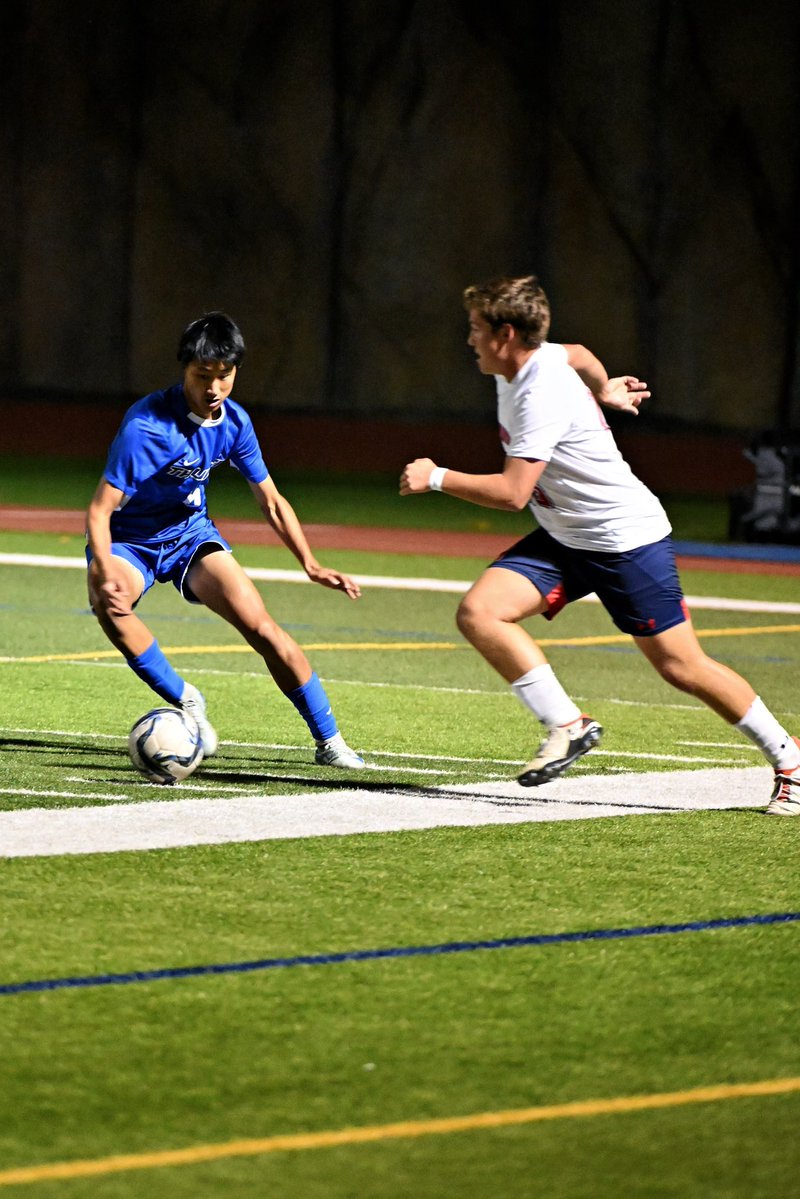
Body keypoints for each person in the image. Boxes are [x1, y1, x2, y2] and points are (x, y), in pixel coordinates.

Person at [400, 275, 800, 815]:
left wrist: (437, 478)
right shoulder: (530, 360)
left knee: (682, 667)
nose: (468, 339)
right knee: (481, 613)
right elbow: (582, 354)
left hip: (623, 539)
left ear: (507, 334)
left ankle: (790, 760)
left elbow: (514, 493)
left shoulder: (537, 393)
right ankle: (568, 724)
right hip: (568, 534)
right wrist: (606, 388)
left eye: (475, 329)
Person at [86, 311, 364, 770]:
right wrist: (101, 566)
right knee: (108, 604)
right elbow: (100, 509)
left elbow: (272, 501)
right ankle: (187, 698)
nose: (213, 389)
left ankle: (330, 742)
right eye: (202, 376)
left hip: (190, 535)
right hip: (131, 540)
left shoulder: (235, 423)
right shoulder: (146, 427)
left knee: (262, 627)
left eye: (224, 376)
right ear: (184, 369)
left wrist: (311, 564)